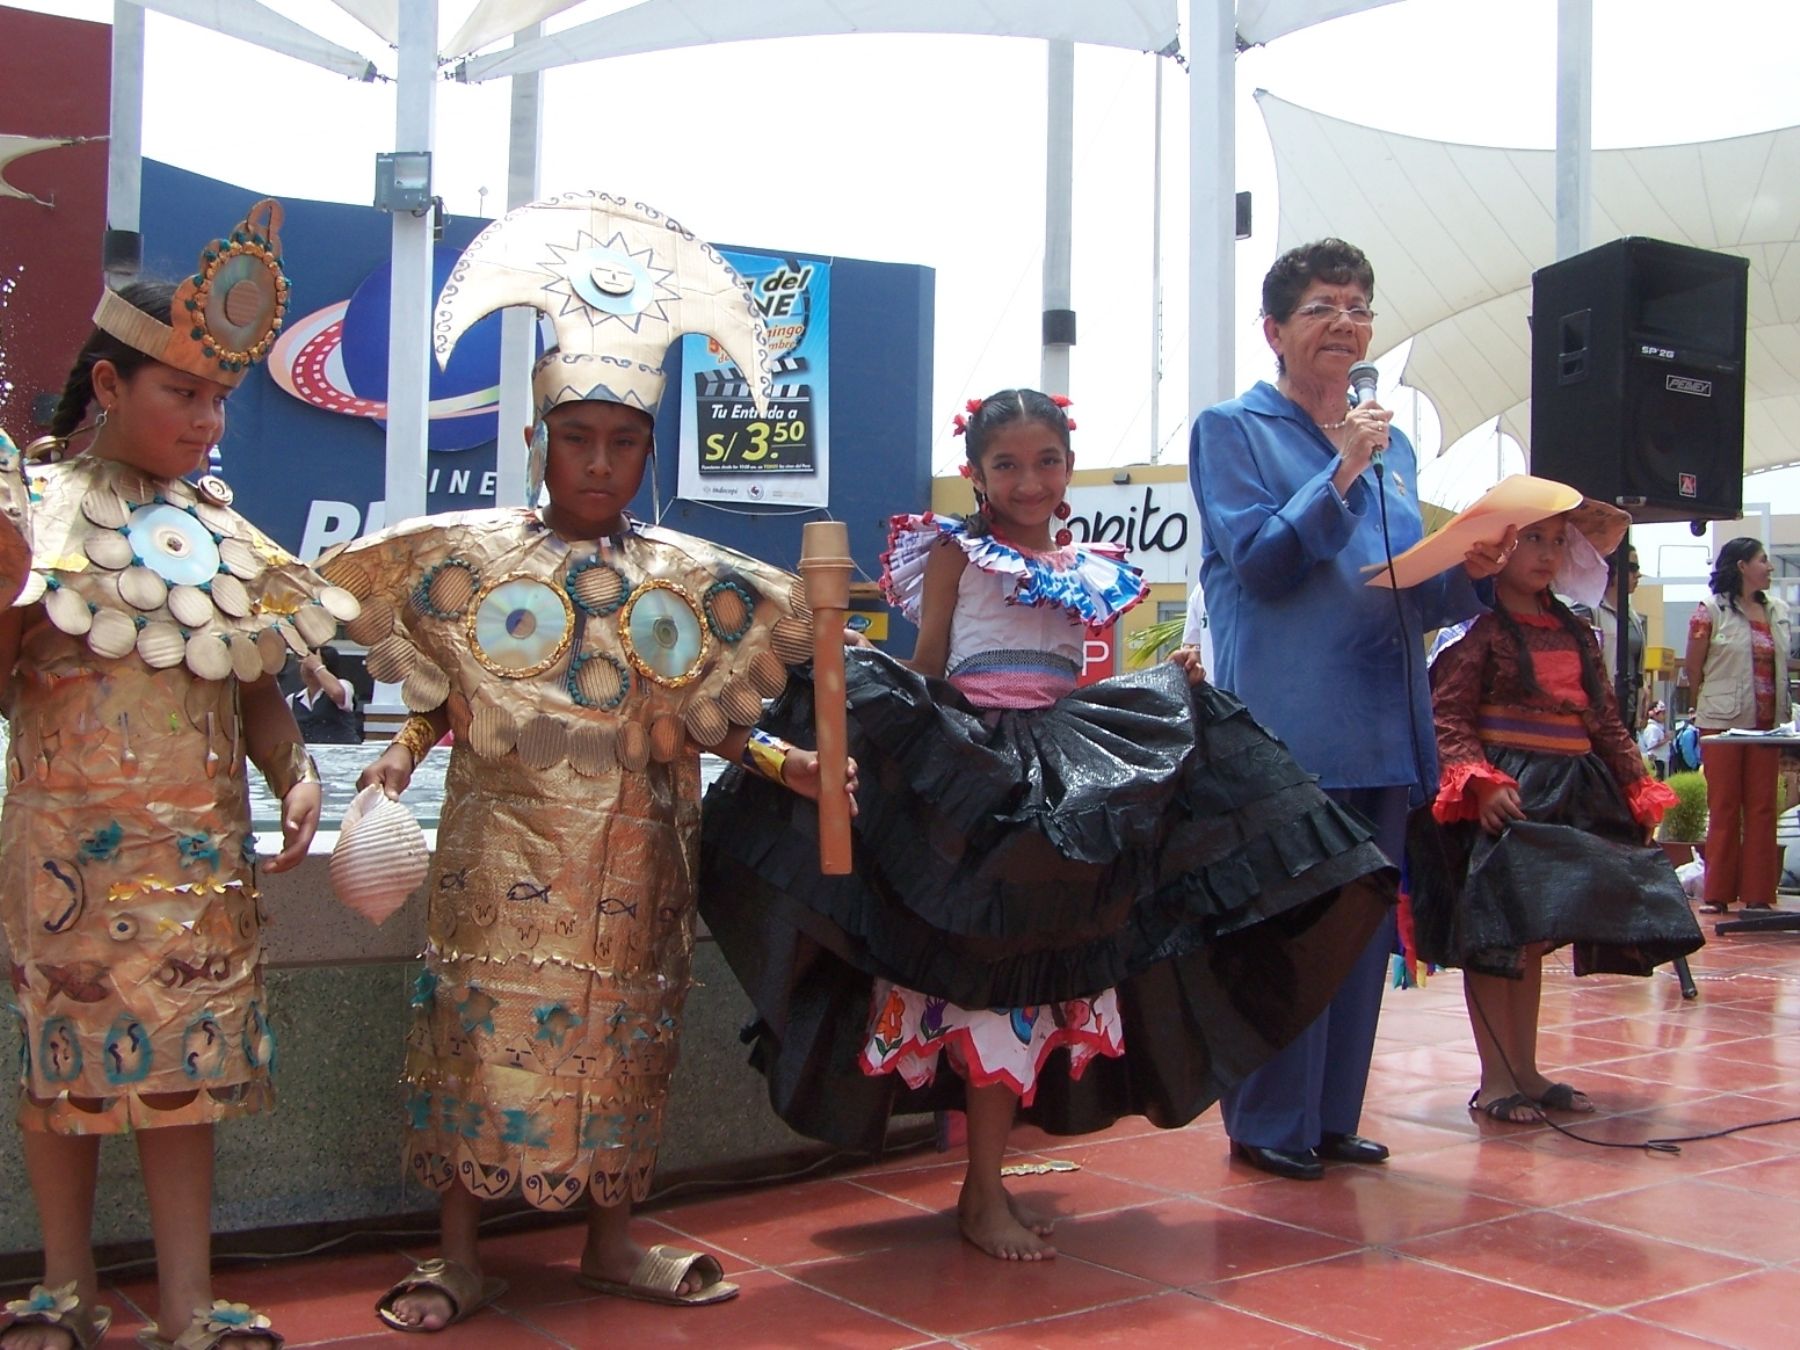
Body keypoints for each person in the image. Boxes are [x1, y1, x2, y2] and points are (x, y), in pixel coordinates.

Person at [700, 388, 1395, 1260]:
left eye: (1046, 462)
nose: (1028, 480)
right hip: (978, 776)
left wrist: (1163, 683)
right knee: (989, 976)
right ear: (975, 473)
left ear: (1068, 467)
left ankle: (984, 1182)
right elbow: (929, 666)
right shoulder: (956, 555)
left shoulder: (1095, 566)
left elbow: (1086, 682)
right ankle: (982, 1189)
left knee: (1034, 976)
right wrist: (868, 703)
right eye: (1007, 464)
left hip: (1064, 775)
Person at [330, 194, 845, 1332]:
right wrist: (396, 757)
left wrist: (784, 765)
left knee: (624, 1040)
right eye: (578, 439)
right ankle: (458, 1253)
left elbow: (701, 718)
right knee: (475, 1033)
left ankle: (613, 1239)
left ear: (649, 452)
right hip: (494, 859)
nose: (599, 462)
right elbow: (448, 697)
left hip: (637, 858)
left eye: (622, 443)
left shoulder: (688, 578)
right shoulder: (465, 561)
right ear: (537, 442)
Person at [0, 202, 355, 1350]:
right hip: (63, 859)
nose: (207, 423)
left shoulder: (218, 532)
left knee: (183, 1077)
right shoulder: (41, 521)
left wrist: (294, 771)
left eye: (217, 401)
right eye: (183, 395)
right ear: (107, 386)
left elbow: (246, 676)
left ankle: (190, 1301)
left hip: (198, 863)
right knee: (63, 1067)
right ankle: (67, 1286)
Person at [1189, 237, 1508, 1181]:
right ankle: (1266, 1123)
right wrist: (1338, 473)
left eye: (1360, 306)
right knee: (1287, 929)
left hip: (1382, 723)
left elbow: (1403, 591)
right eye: (1324, 306)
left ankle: (1330, 1116)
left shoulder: (1393, 448)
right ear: (1275, 331)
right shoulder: (1234, 431)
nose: (1346, 322)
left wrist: (1471, 575)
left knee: (1362, 935)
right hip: (1287, 729)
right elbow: (1262, 563)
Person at [1406, 506, 1703, 1123]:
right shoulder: (1476, 629)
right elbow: (1447, 716)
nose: (1544, 553)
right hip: (1510, 795)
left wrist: (1634, 785)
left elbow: (1606, 720)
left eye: (1554, 541)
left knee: (1534, 935)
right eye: (1530, 540)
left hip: (1570, 788)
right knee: (1499, 935)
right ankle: (1495, 1079)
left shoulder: (1576, 631)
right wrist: (1480, 783)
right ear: (1497, 549)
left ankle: (1527, 1068)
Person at [1685, 537, 1792, 914]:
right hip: (1721, 724)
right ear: (1742, 566)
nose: (1770, 567)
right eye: (1763, 560)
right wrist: (1703, 708)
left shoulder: (1778, 610)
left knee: (1764, 806)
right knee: (1725, 804)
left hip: (1768, 725)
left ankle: (1758, 893)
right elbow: (1692, 668)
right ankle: (1717, 892)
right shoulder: (1710, 610)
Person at [1576, 546, 1648, 730]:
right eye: (1632, 568)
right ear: (1611, 570)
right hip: (1601, 710)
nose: (1638, 575)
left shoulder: (1633, 616)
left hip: (1629, 710)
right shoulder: (1588, 608)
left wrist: (1643, 691)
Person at [285, 646, 362, 744]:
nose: (308, 670)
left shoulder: (343, 685)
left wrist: (317, 666)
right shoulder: (293, 699)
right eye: (305, 665)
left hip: (342, 753)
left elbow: (336, 693)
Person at [1639, 701, 1672, 779]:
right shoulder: (1652, 728)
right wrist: (1666, 739)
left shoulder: (1657, 727)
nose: (1664, 716)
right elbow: (1651, 745)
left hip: (1660, 760)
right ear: (1655, 715)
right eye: (1662, 713)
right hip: (1656, 761)